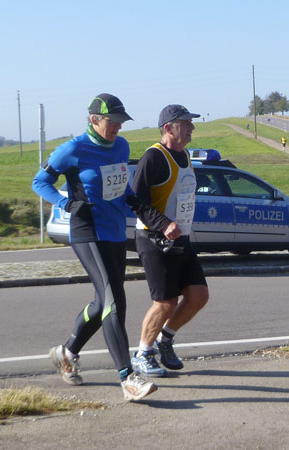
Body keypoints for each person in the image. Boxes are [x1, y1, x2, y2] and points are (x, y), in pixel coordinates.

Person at [32, 93, 157, 401]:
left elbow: (120, 186)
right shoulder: (72, 149)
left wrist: (135, 202)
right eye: (112, 121)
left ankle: (66, 352)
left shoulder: (122, 146)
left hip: (114, 231)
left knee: (103, 303)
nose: (117, 127)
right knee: (115, 301)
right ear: (94, 120)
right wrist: (65, 203)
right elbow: (39, 182)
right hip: (87, 231)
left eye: (121, 122)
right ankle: (128, 378)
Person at [129, 104, 209, 377]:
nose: (191, 127)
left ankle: (165, 340)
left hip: (181, 238)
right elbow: (136, 201)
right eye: (185, 123)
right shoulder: (153, 157)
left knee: (198, 295)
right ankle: (142, 354)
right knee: (165, 302)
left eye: (191, 123)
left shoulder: (184, 155)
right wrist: (164, 224)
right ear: (168, 128)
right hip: (153, 238)